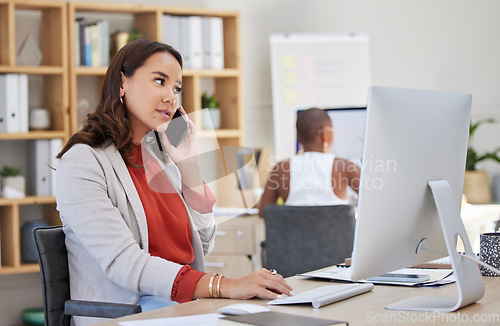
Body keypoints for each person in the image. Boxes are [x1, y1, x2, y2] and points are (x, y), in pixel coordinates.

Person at [55, 39, 293, 325]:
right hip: (130, 313)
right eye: (160, 81)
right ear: (122, 83)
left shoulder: (162, 160)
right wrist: (224, 285)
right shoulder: (83, 161)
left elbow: (201, 247)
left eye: (177, 88)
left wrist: (189, 166)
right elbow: (124, 263)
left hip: (182, 307)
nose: (171, 96)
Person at [259, 108, 360, 216]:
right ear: (324, 135)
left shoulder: (280, 168)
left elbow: (264, 212)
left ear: (299, 138)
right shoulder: (345, 167)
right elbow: (373, 202)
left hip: (293, 233)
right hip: (338, 233)